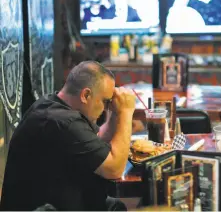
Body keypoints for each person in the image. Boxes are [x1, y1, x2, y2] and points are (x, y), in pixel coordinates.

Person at [0, 61, 136, 211]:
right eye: (105, 101)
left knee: (115, 206)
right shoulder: (63, 122)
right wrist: (127, 112)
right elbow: (114, 169)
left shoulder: (52, 104)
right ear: (86, 95)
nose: (106, 108)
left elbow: (94, 142)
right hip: (45, 208)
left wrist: (116, 114)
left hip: (61, 201)